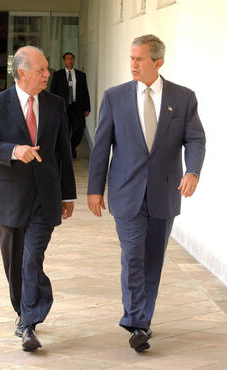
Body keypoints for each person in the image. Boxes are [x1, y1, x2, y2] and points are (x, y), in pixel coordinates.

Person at [87, 34, 205, 352]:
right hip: (127, 193)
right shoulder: (115, 97)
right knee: (133, 257)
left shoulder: (183, 98)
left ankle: (144, 320)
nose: (133, 64)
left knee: (153, 260)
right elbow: (101, 147)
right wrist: (94, 189)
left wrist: (192, 171)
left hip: (164, 192)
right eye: (131, 58)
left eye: (139, 59)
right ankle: (136, 322)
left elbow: (195, 139)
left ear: (158, 62)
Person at [0, 46, 76, 352]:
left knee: (32, 258)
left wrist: (68, 194)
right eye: (41, 69)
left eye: (47, 68)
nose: (48, 74)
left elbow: (63, 152)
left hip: (44, 198)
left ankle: (29, 322)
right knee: (14, 264)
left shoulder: (55, 103)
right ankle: (26, 307)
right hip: (8, 198)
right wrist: (13, 150)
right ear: (21, 73)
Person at [50, 52, 91, 159]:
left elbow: (85, 92)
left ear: (74, 60)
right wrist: (53, 108)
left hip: (77, 107)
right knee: (64, 130)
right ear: (64, 61)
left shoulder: (81, 75)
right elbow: (52, 92)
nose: (70, 61)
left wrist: (87, 107)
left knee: (79, 129)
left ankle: (71, 146)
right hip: (62, 108)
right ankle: (67, 150)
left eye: (72, 59)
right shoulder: (57, 75)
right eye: (68, 59)